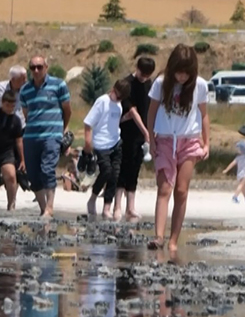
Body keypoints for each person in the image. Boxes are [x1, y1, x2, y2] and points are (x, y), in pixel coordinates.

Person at [147, 44, 210, 252]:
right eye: (178, 71)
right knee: (164, 188)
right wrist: (151, 140)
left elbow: (204, 114)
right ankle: (158, 237)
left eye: (186, 72)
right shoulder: (160, 83)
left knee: (181, 191)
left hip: (189, 140)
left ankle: (173, 240)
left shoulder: (200, 85)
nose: (182, 77)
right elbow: (152, 112)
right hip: (164, 139)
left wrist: (206, 141)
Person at [20, 56, 71, 218]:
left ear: (46, 67)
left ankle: (50, 207)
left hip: (52, 135)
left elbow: (67, 110)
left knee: (47, 169)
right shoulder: (25, 90)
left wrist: (63, 129)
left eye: (39, 67)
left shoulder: (59, 85)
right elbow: (27, 114)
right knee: (33, 174)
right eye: (33, 67)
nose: (36, 70)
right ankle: (43, 209)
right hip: (31, 136)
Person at [83, 77, 134, 218]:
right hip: (100, 144)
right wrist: (88, 143)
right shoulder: (102, 101)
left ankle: (107, 207)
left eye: (120, 98)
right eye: (116, 95)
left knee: (114, 175)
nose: (117, 99)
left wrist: (125, 118)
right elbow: (88, 123)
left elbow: (113, 122)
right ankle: (92, 199)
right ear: (113, 89)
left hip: (116, 142)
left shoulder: (118, 105)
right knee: (106, 171)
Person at [115, 57, 154, 221]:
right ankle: (117, 207)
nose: (144, 77)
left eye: (147, 75)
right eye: (142, 73)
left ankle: (130, 207)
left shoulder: (149, 84)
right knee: (122, 169)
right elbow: (132, 111)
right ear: (136, 68)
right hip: (127, 132)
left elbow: (150, 108)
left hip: (141, 134)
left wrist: (148, 132)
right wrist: (147, 132)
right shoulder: (127, 84)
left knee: (135, 170)